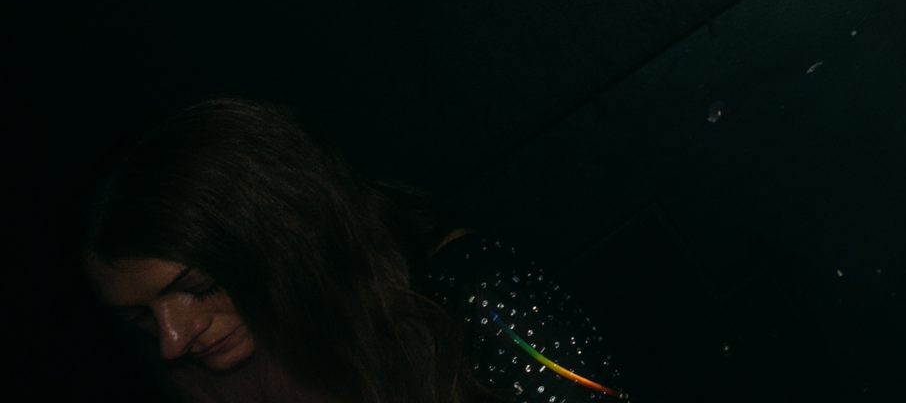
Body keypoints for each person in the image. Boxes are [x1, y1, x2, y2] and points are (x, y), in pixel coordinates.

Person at [83, 97, 627, 403]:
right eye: (140, 318)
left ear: (282, 240)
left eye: (199, 288)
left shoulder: (476, 300)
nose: (172, 340)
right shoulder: (195, 375)